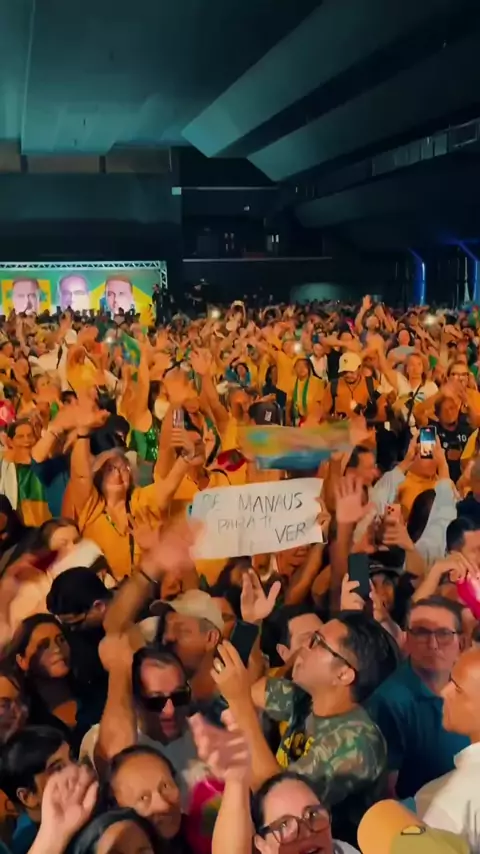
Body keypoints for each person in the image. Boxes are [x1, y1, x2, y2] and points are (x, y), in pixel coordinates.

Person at [365, 596, 469, 800]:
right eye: (421, 633)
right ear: (407, 640)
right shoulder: (389, 701)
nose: (433, 644)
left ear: (462, 643)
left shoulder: (472, 685)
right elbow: (387, 795)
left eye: (444, 634)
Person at [0, 725, 71, 854]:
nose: (76, 770)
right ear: (27, 796)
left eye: (72, 758)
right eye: (58, 769)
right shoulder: (28, 845)